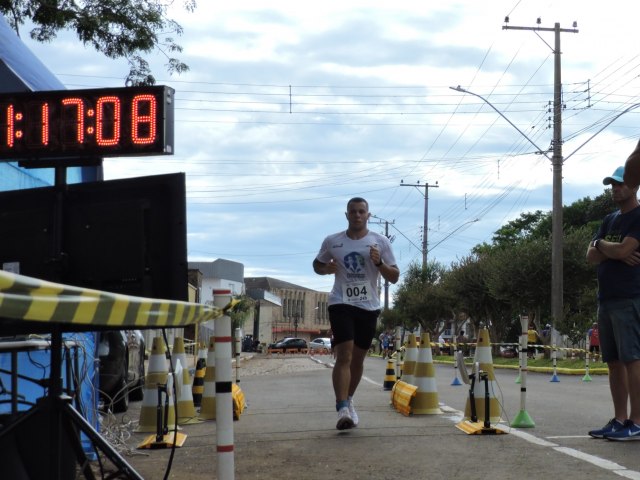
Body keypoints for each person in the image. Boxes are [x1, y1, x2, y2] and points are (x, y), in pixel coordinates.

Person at [313, 197, 399, 430]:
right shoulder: (333, 241)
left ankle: (349, 399)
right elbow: (317, 265)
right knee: (345, 355)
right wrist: (325, 268)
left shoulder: (380, 242)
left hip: (368, 306)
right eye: (353, 212)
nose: (357, 215)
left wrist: (379, 263)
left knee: (358, 359)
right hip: (341, 302)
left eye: (362, 212)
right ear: (347, 215)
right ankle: (341, 407)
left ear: (368, 215)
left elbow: (394, 276)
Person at [586, 165, 640, 441]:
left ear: (634, 185)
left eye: (619, 184)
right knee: (614, 362)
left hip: (630, 297)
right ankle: (620, 419)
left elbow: (624, 250)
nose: (615, 189)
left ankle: (636, 421)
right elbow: (590, 255)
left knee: (633, 359)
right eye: (612, 185)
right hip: (606, 299)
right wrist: (605, 247)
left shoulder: (639, 216)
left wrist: (603, 247)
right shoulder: (609, 219)